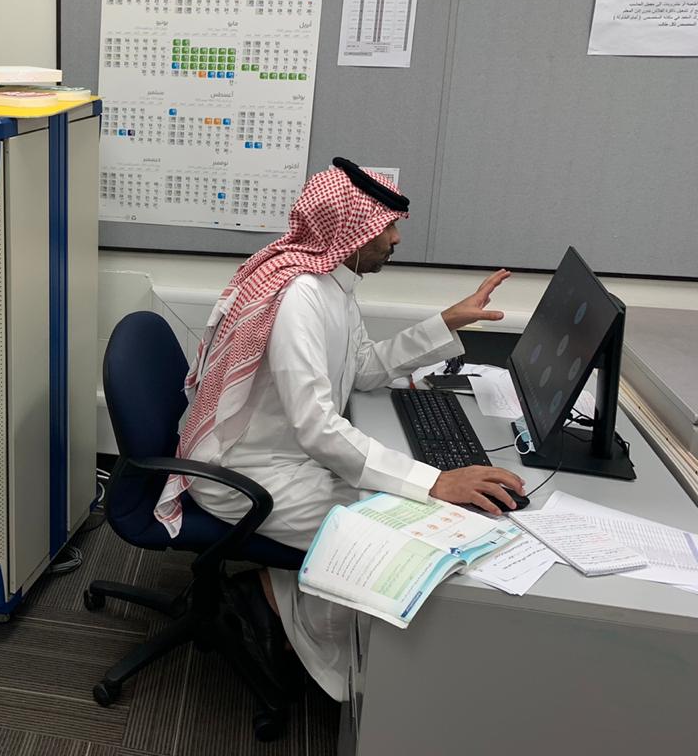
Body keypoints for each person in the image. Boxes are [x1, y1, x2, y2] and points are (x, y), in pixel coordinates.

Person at [154, 157, 526, 701]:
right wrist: (435, 481)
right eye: (385, 227)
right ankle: (308, 635)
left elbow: (362, 368)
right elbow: (318, 428)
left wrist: (445, 323)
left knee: (403, 507)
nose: (396, 239)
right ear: (349, 234)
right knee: (398, 536)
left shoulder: (333, 284)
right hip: (244, 475)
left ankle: (275, 595)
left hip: (285, 459)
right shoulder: (299, 298)